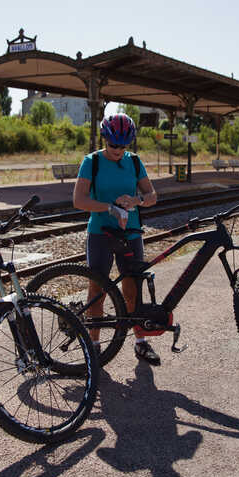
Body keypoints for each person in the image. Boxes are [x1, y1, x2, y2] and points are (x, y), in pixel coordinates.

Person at [72, 113, 160, 364]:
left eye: (123, 145)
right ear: (105, 139)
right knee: (97, 287)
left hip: (130, 233)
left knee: (132, 286)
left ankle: (141, 341)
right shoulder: (92, 162)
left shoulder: (134, 161)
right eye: (113, 145)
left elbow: (152, 195)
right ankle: (95, 342)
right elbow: (79, 200)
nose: (118, 150)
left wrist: (137, 201)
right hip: (100, 232)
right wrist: (111, 208)